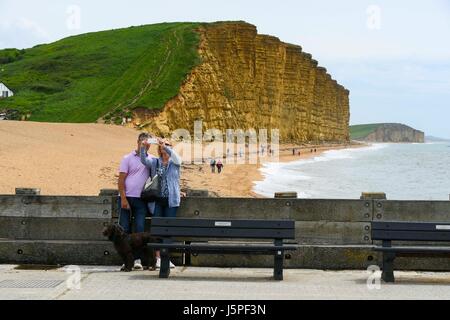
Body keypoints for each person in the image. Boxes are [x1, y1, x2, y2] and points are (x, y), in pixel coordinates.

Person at [140, 137, 182, 269]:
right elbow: (144, 160)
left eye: (168, 144)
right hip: (157, 201)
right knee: (157, 230)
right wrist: (143, 147)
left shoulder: (174, 161)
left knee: (168, 230)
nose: (165, 146)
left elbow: (178, 159)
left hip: (171, 201)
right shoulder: (156, 162)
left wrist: (166, 147)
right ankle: (158, 258)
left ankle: (166, 258)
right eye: (163, 144)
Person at [118, 132, 154, 270]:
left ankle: (138, 260)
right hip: (127, 198)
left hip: (141, 200)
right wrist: (123, 198)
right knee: (124, 229)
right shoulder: (127, 158)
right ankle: (126, 261)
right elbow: (121, 180)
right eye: (143, 142)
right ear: (138, 142)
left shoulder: (151, 159)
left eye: (148, 143)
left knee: (139, 231)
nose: (146, 145)